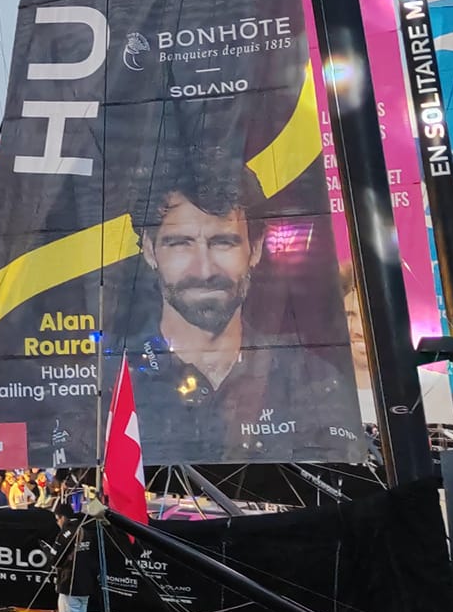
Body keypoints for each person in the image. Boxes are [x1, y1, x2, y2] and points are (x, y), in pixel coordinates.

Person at [117, 158, 358, 460]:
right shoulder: (112, 383)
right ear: (150, 251)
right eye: (180, 243)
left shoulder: (312, 378)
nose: (204, 270)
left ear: (255, 249)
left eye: (223, 242)